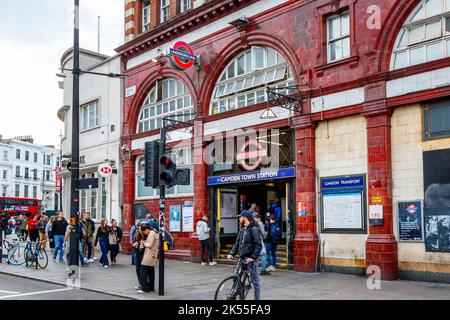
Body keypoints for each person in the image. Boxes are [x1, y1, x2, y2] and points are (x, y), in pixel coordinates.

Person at [227, 210, 262, 300]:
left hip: (250, 259)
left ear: (245, 218)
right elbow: (237, 244)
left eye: (240, 217)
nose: (239, 218)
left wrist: (252, 257)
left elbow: (258, 245)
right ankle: (235, 296)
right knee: (236, 278)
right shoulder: (242, 230)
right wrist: (231, 254)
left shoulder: (254, 229)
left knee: (255, 282)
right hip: (242, 258)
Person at [137, 221, 160, 294]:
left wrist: (144, 243)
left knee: (142, 271)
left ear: (146, 229)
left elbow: (149, 245)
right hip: (153, 254)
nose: (144, 233)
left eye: (144, 231)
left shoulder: (151, 233)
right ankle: (151, 287)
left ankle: (145, 288)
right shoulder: (154, 232)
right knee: (150, 271)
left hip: (149, 254)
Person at [132, 222, 145, 291]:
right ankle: (140, 284)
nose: (139, 230)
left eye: (141, 229)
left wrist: (139, 243)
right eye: (138, 228)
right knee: (137, 270)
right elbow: (134, 242)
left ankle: (144, 284)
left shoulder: (145, 235)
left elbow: (145, 244)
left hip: (143, 254)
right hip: (137, 253)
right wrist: (134, 244)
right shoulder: (137, 234)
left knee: (142, 270)